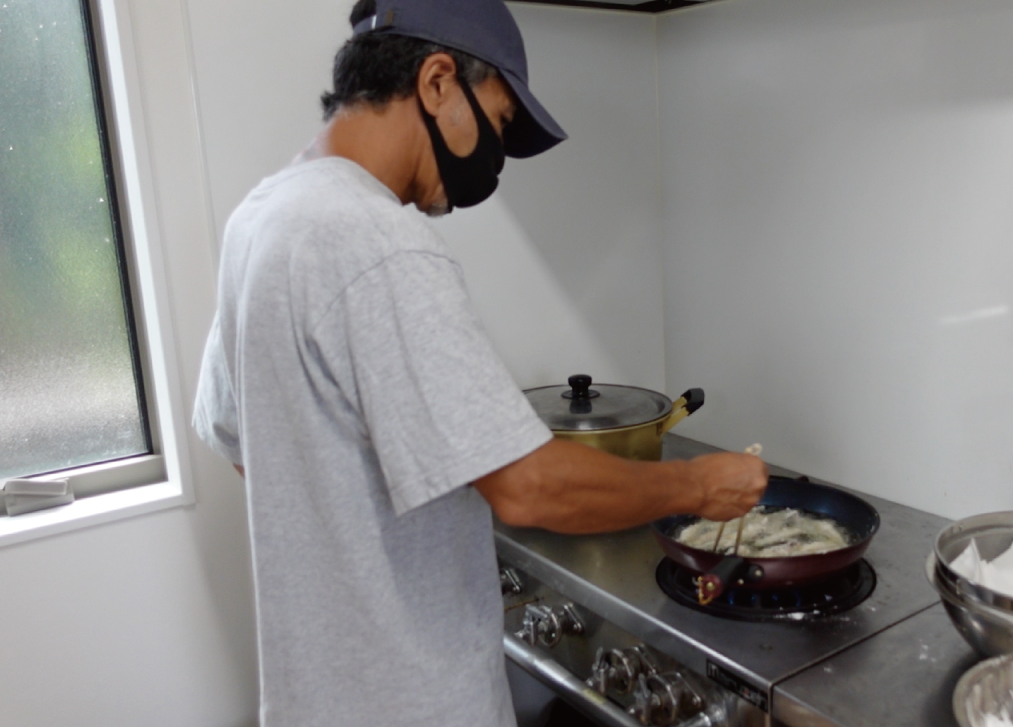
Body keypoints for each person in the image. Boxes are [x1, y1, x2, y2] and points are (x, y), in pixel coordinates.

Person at [191, 0, 768, 725]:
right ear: (437, 82)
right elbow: (529, 489)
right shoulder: (380, 244)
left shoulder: (262, 219)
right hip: (412, 701)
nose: (492, 156)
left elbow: (237, 439)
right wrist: (697, 484)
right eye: (496, 121)